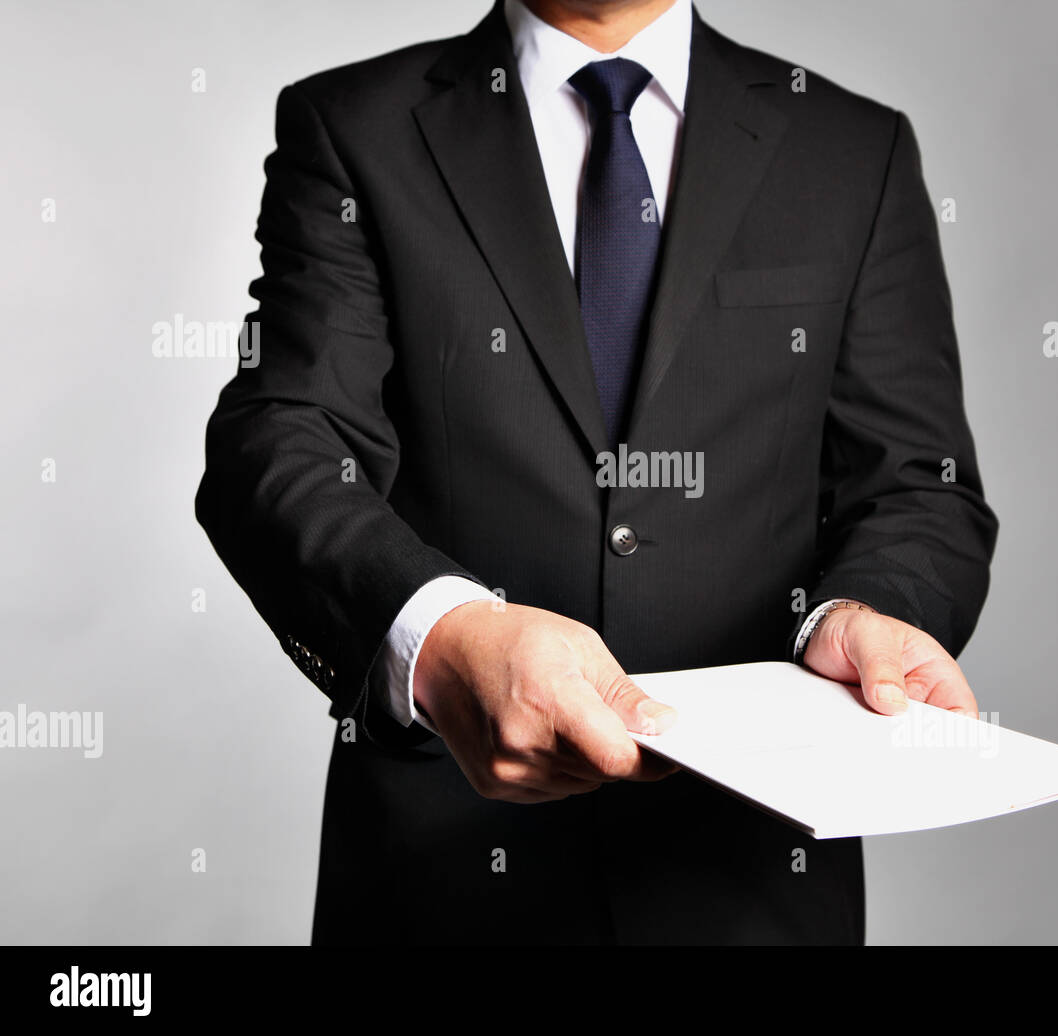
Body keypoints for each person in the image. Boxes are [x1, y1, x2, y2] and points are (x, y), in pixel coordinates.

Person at [196, 0, 998, 945]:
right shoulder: (352, 127)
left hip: (749, 883)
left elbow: (917, 483)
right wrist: (446, 639)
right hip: (439, 887)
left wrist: (863, 615)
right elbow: (281, 440)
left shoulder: (853, 151)